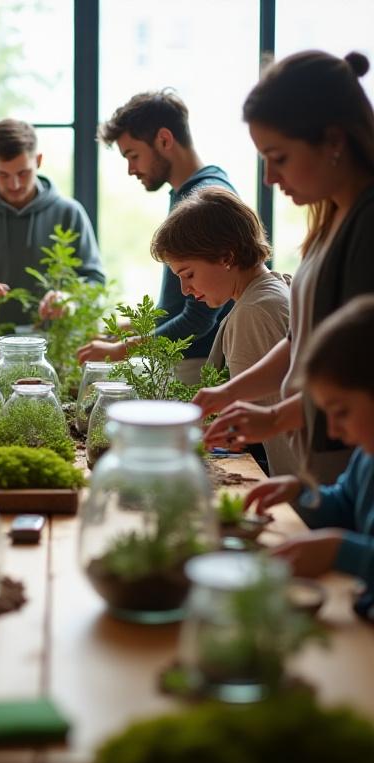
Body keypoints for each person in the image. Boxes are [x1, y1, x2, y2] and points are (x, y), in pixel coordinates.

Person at [196, 50, 374, 484]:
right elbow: (303, 341)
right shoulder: (332, 219)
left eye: (279, 157)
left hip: (352, 465)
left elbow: (361, 373)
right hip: (324, 458)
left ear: (333, 141)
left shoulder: (367, 228)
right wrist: (231, 396)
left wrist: (278, 415)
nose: (269, 179)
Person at [77, 89, 235, 384]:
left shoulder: (201, 199)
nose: (130, 169)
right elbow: (182, 302)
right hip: (188, 361)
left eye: (133, 155)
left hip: (199, 364)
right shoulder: (189, 193)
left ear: (164, 139)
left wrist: (118, 350)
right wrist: (131, 327)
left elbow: (198, 318)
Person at [244, 296, 374, 619]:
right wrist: (300, 493)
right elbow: (344, 505)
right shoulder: (366, 458)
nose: (332, 430)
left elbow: (350, 546)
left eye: (341, 412)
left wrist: (341, 552)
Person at [150, 187, 293, 475]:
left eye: (188, 274)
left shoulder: (253, 312)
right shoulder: (271, 289)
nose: (185, 290)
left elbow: (265, 425)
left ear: (226, 257)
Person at [0, 118, 105, 334]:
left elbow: (96, 282)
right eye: (3, 175)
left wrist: (69, 300)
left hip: (59, 347)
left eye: (23, 173)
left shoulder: (69, 213)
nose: (14, 184)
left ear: (39, 160)